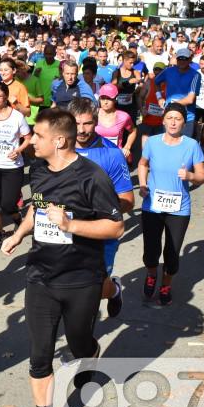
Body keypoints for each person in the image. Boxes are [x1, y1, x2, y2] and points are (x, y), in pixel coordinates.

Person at [1, 109, 123, 407]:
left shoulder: (92, 177)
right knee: (39, 357)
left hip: (81, 278)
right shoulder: (38, 171)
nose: (31, 141)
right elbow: (36, 210)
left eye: (37, 136)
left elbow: (115, 228)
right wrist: (19, 234)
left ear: (59, 140)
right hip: (40, 275)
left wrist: (70, 226)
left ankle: (91, 354)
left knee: (79, 342)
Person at [69, 98, 135, 318]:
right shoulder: (59, 150)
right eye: (76, 124)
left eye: (87, 124)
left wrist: (98, 210)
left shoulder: (112, 154)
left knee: (96, 288)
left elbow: (127, 200)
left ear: (95, 122)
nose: (81, 130)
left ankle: (113, 289)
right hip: (67, 232)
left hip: (102, 234)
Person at [137, 104, 204, 307]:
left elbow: (202, 175)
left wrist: (191, 176)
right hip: (152, 206)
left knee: (172, 251)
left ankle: (166, 284)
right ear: (163, 120)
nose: (174, 122)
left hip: (179, 208)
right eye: (170, 118)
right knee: (151, 250)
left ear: (184, 122)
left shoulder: (192, 145)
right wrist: (142, 185)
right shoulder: (152, 142)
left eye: (178, 118)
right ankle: (151, 275)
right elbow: (143, 164)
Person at [0, 83, 31, 245]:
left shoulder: (17, 116)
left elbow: (28, 138)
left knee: (8, 204)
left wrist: (18, 151)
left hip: (12, 166)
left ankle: (19, 221)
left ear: (6, 97)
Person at [153, 48, 200, 137]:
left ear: (190, 59)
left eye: (185, 59)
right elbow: (156, 82)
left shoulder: (195, 75)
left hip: (187, 117)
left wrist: (171, 104)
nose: (182, 61)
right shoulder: (168, 71)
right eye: (179, 59)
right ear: (176, 59)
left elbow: (190, 100)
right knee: (168, 143)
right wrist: (159, 97)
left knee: (184, 146)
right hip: (169, 115)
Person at [94, 85, 136, 158]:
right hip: (96, 156)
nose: (105, 102)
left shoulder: (123, 117)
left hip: (115, 157)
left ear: (115, 99)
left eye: (109, 98)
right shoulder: (93, 114)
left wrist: (127, 147)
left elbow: (133, 131)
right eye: (103, 98)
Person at [111, 51, 145, 125]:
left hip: (131, 106)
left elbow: (141, 82)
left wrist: (136, 90)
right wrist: (128, 82)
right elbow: (113, 87)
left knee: (131, 126)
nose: (132, 65)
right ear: (124, 61)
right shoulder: (117, 72)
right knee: (119, 127)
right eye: (130, 62)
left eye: (133, 62)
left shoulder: (135, 71)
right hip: (119, 105)